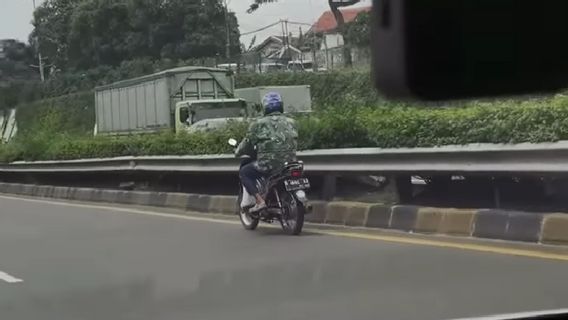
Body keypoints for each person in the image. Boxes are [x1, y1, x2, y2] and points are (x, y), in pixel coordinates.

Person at [235, 92, 298, 213]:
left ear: (265, 107)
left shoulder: (258, 124)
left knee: (244, 172)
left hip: (268, 164)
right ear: (281, 106)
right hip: (290, 163)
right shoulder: (292, 122)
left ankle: (260, 201)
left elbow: (247, 143)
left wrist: (238, 152)